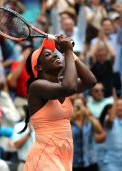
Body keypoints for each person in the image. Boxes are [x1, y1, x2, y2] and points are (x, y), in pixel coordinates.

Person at [23, 36, 96, 170]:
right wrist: (67, 51)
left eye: (54, 53)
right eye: (47, 55)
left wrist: (70, 53)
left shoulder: (62, 82)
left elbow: (90, 81)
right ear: (38, 67)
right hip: (45, 154)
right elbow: (70, 87)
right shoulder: (37, 86)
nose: (54, 55)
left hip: (64, 155)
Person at [71, 95, 105, 171]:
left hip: (91, 162)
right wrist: (72, 116)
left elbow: (100, 130)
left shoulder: (89, 120)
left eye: (80, 105)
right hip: (75, 163)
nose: (78, 108)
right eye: (76, 106)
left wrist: (88, 115)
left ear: (84, 106)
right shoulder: (70, 122)